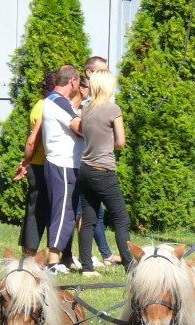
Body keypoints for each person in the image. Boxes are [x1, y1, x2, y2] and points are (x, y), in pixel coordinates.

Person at [76, 70, 133, 276]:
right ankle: (129, 265)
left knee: (88, 218)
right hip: (104, 171)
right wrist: (110, 145)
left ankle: (86, 266)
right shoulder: (112, 109)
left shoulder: (85, 109)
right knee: (121, 219)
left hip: (85, 170)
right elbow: (121, 142)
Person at [42, 65, 83, 274]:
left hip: (60, 163)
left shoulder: (52, 100)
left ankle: (62, 259)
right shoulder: (59, 102)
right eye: (79, 83)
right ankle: (52, 262)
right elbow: (78, 127)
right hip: (64, 164)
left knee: (65, 212)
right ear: (73, 82)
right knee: (64, 212)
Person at [14, 71, 57, 257]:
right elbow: (34, 140)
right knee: (36, 211)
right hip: (40, 165)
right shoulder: (43, 107)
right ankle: (29, 253)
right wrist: (26, 162)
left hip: (43, 164)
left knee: (41, 210)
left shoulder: (44, 105)